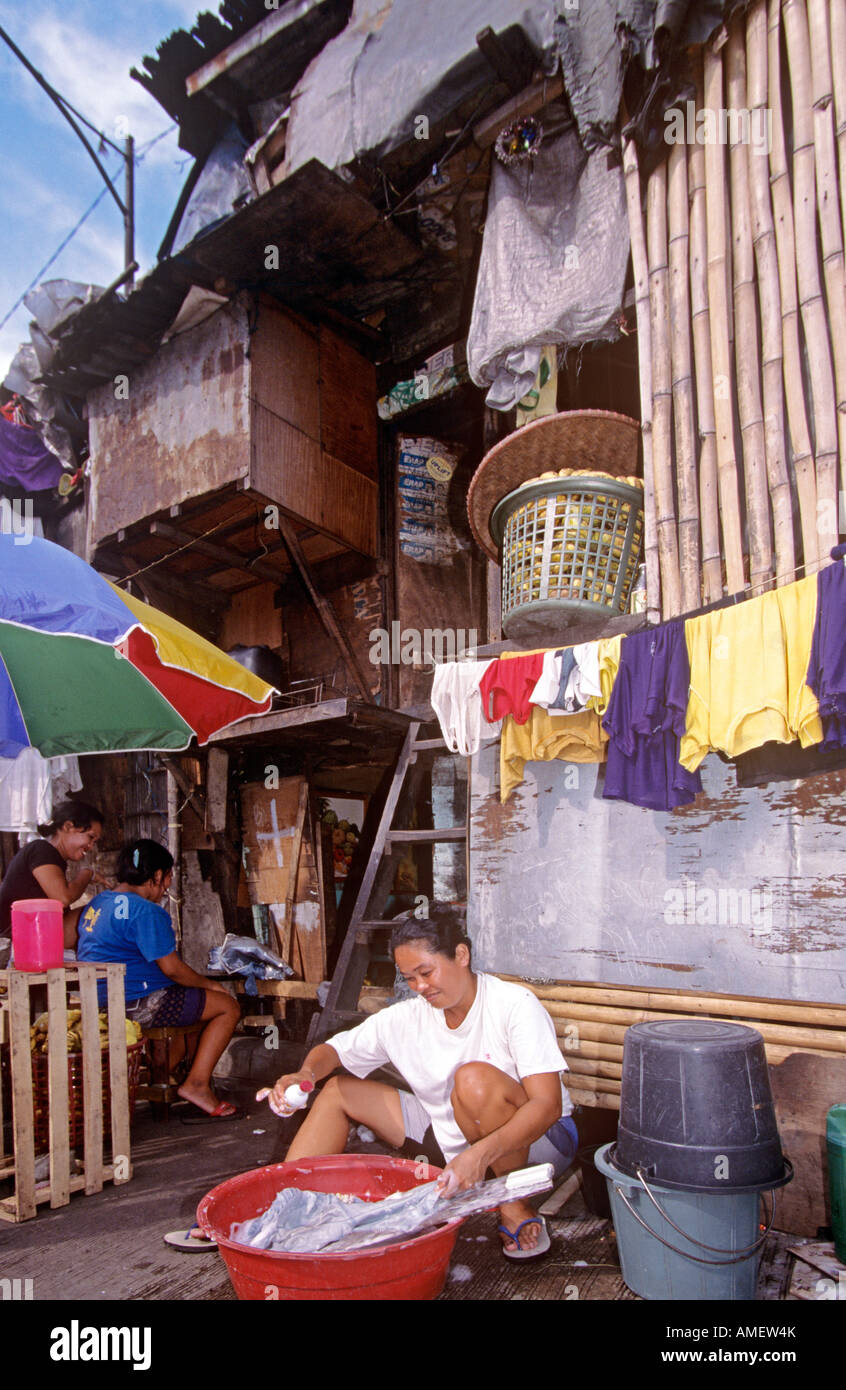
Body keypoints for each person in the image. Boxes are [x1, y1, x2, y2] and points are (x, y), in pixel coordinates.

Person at [261, 906, 579, 1258]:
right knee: (337, 1091)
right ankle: (281, 1205)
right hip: (455, 1144)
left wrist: (478, 1156)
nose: (420, 987)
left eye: (426, 972)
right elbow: (332, 1052)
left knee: (472, 1080)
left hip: (540, 1144)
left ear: (461, 955)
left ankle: (513, 1203)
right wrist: (305, 1074)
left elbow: (547, 1106)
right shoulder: (406, 1018)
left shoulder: (513, 1005)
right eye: (409, 978)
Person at [76, 837, 241, 1119]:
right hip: (137, 1002)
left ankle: (163, 1080)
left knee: (197, 1006)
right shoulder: (145, 911)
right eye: (166, 878)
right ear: (155, 876)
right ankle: (197, 1085)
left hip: (99, 1001)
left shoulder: (99, 903)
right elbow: (173, 970)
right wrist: (212, 985)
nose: (167, 886)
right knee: (227, 1006)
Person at [0, 799, 109, 950]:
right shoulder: (41, 850)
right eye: (90, 837)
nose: (90, 846)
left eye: (95, 842)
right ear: (68, 826)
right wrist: (87, 874)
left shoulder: (53, 858)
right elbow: (62, 898)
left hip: (30, 937)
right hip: (14, 943)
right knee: (100, 910)